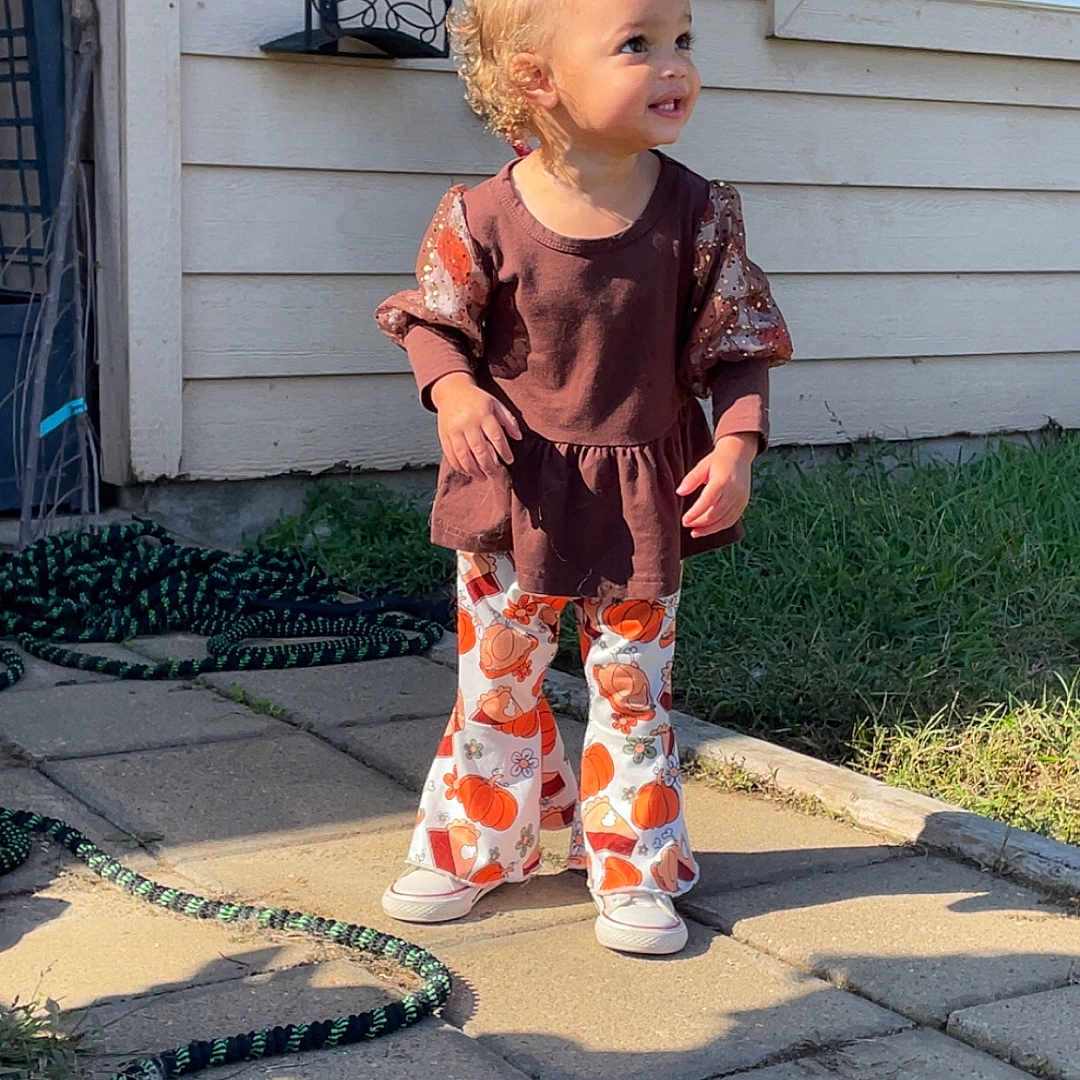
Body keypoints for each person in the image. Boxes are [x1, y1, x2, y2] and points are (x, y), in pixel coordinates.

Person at [373, 0, 792, 955]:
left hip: (646, 495)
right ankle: (478, 845)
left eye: (683, 40)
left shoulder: (697, 213)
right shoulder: (480, 214)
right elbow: (433, 319)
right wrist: (453, 394)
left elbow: (738, 346)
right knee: (497, 679)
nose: (673, 64)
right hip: (511, 490)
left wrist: (735, 447)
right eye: (637, 45)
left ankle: (634, 862)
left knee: (634, 685)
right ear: (537, 80)